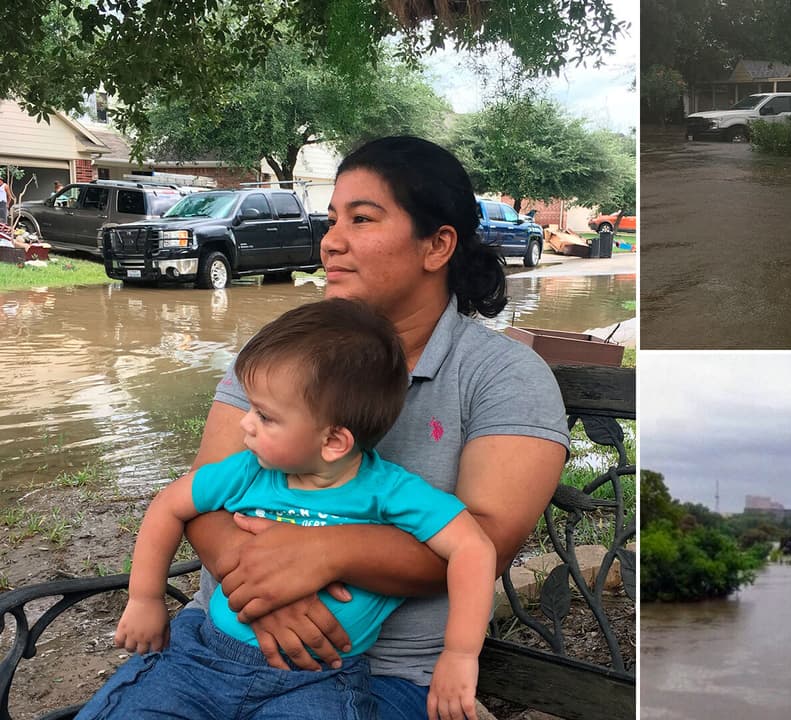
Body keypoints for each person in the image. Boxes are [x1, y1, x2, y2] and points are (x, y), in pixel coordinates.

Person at [85, 136, 570, 720]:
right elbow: (204, 495)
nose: (331, 241)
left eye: (362, 219)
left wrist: (324, 552)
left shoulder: (503, 376)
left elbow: (481, 544)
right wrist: (261, 590)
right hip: (212, 647)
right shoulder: (290, 351)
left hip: (382, 674)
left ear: (437, 245)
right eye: (332, 218)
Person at [77, 298, 497, 720]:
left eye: (265, 415)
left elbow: (473, 549)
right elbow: (169, 505)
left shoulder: (390, 493)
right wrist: (145, 597)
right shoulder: (247, 471)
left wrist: (460, 654)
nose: (246, 423)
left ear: (334, 442)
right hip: (202, 659)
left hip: (319, 681)